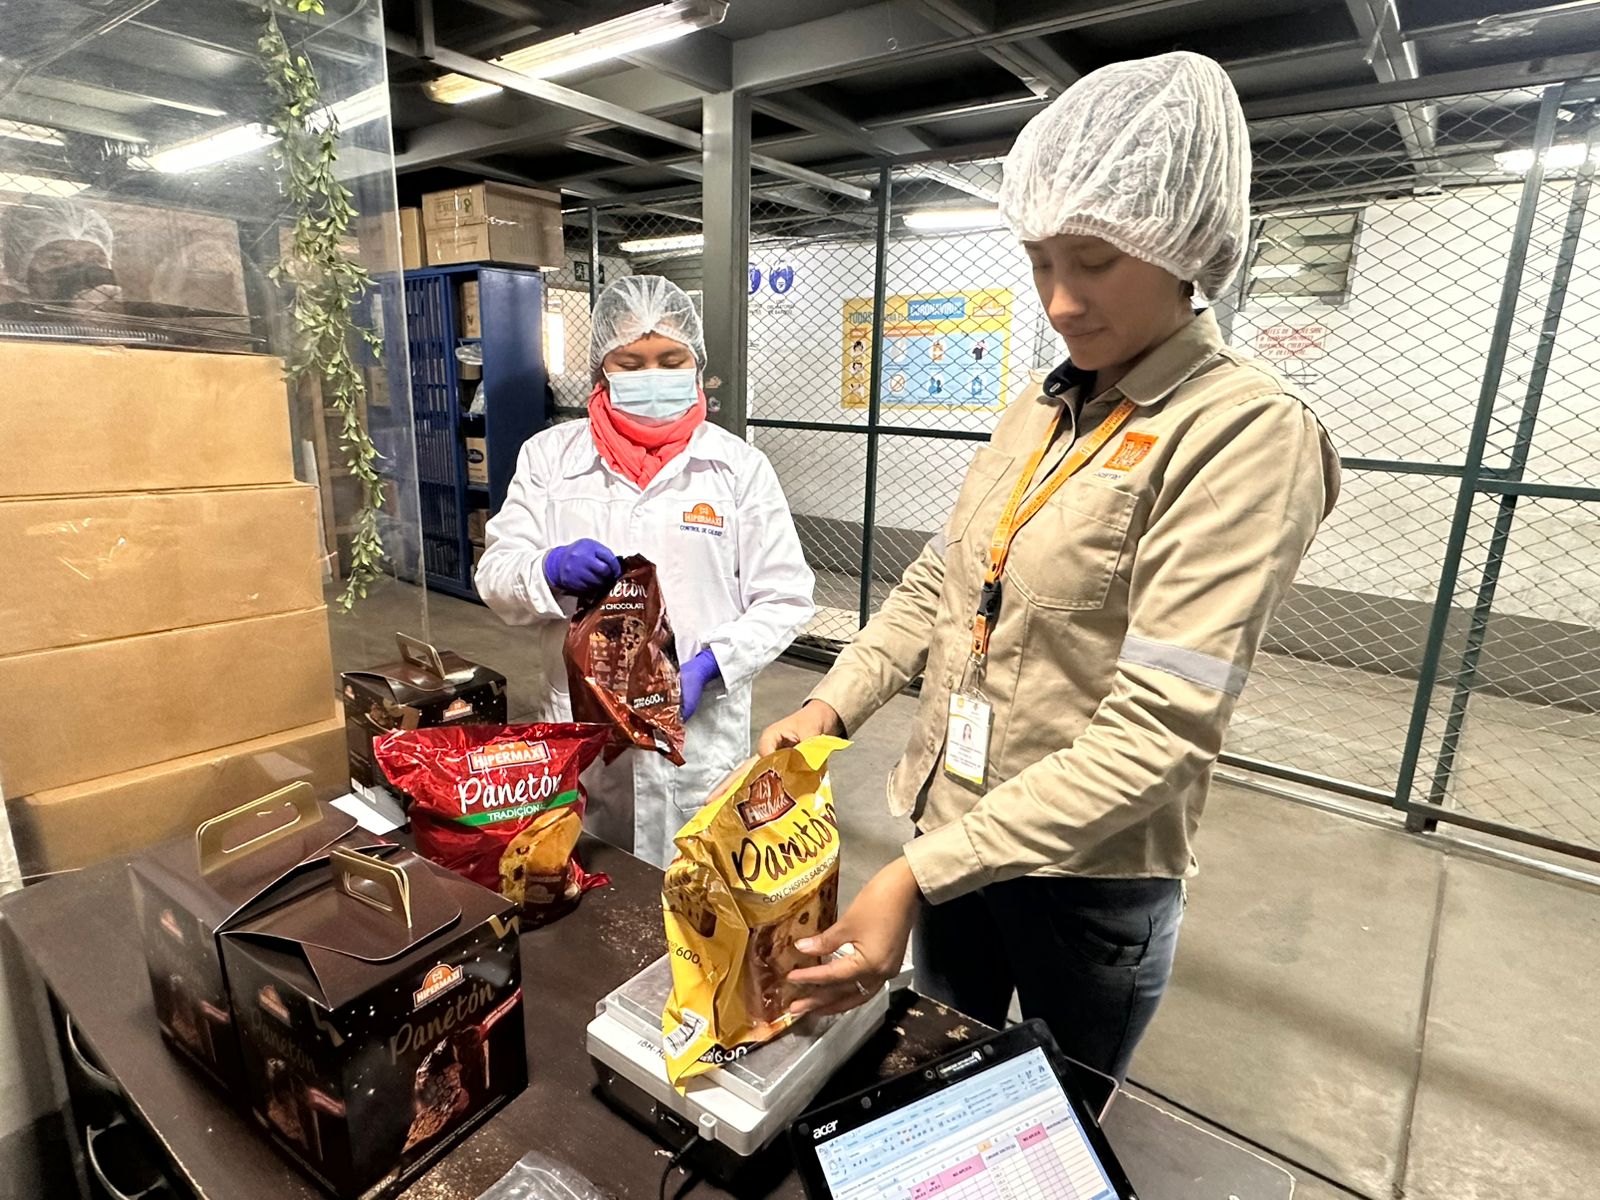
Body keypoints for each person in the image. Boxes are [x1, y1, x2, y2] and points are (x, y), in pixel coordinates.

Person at [760, 52, 1340, 1081]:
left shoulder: (1243, 434)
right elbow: (943, 581)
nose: (1062, 301)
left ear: (1184, 246)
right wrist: (831, 705)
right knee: (942, 1071)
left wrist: (911, 877)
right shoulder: (1041, 403)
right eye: (1039, 261)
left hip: (1085, 882)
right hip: (955, 832)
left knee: (1056, 1112)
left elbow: (1160, 731)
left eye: (1096, 261)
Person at [477, 275, 815, 868]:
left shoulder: (737, 468)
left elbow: (786, 596)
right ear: (601, 369)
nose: (652, 375)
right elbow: (496, 574)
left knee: (695, 890)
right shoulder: (549, 458)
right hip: (585, 729)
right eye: (630, 363)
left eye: (670, 360)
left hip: (697, 736)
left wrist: (711, 666)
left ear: (696, 364)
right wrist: (548, 569)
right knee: (588, 881)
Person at [0, 197, 120, 309]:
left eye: (96, 260)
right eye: (58, 259)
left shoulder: (122, 316)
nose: (81, 272)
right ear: (18, 268)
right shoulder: (9, 321)